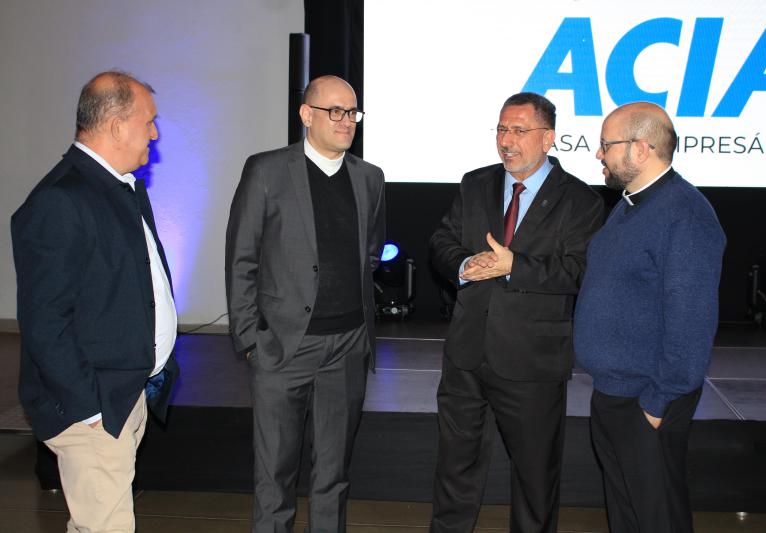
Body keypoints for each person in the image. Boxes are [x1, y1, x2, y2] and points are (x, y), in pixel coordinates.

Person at [428, 92, 605, 533]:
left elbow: (581, 271)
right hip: (466, 356)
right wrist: (465, 265)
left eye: (519, 131)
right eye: (502, 130)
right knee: (454, 470)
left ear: (548, 138)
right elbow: (442, 241)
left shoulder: (580, 200)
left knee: (534, 481)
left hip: (532, 363)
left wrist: (514, 266)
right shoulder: (475, 184)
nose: (507, 141)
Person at [11, 71, 179, 532]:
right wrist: (90, 410)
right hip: (97, 408)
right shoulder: (60, 201)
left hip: (124, 395)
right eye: (149, 121)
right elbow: (45, 322)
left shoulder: (118, 185)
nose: (154, 133)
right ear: (117, 126)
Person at [225, 75, 386, 533]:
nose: (346, 120)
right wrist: (250, 340)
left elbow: (371, 252)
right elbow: (241, 258)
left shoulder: (370, 178)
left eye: (352, 112)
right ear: (306, 114)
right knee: (274, 477)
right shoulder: (267, 171)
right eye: (335, 111)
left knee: (333, 475)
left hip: (348, 346)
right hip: (282, 347)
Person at [573, 102, 726, 533]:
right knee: (627, 515)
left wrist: (656, 405)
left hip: (646, 400)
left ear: (640, 149)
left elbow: (692, 323)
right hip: (615, 393)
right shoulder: (630, 205)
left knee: (657, 518)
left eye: (606, 145)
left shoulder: (685, 214)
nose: (599, 154)